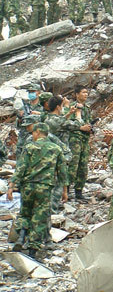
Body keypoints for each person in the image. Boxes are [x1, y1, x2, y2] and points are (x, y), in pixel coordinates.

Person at [7, 121, 66, 257]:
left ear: (38, 132)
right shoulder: (56, 149)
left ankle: (21, 238)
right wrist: (64, 190)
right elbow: (62, 172)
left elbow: (20, 168)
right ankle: (33, 249)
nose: (32, 134)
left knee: (24, 212)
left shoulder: (29, 147)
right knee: (39, 216)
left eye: (33, 132)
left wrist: (11, 186)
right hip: (44, 188)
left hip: (28, 186)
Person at [65, 86, 94, 201]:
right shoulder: (72, 108)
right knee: (73, 166)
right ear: (77, 94)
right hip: (75, 139)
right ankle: (65, 191)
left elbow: (89, 121)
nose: (86, 94)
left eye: (87, 92)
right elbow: (67, 123)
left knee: (83, 167)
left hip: (84, 140)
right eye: (83, 92)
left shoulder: (87, 108)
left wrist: (90, 128)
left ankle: (79, 191)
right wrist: (81, 128)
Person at [15, 84, 43, 163]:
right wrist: (20, 118)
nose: (31, 94)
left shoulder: (43, 107)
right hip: (23, 138)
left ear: (39, 93)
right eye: (30, 92)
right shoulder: (24, 106)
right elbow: (17, 125)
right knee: (20, 162)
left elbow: (46, 120)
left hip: (37, 138)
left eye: (33, 91)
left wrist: (39, 115)